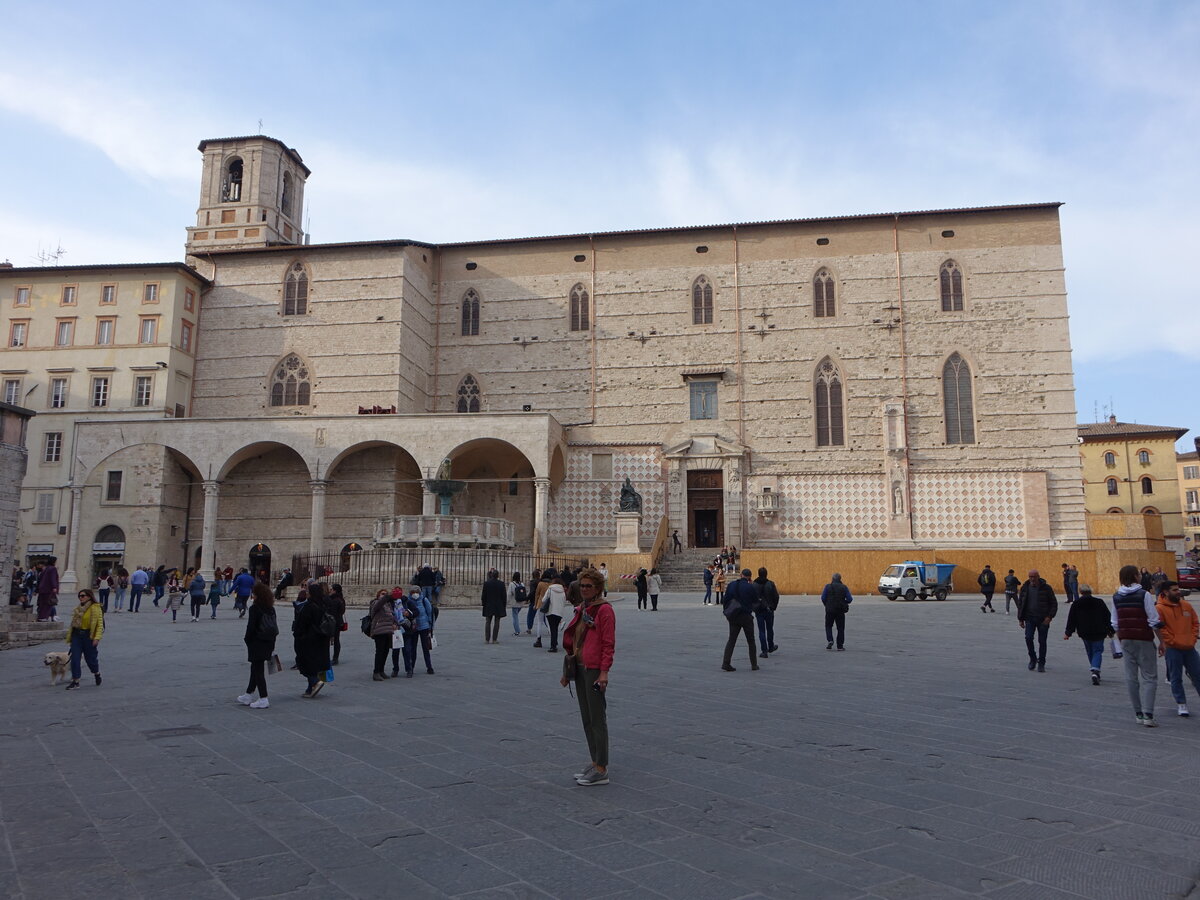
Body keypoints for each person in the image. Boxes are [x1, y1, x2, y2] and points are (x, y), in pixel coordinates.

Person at [560, 568, 615, 786]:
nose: (584, 589)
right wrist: (567, 673)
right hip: (580, 667)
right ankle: (595, 762)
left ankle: (602, 768)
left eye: (588, 586)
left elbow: (608, 644)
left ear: (598, 588)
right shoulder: (583, 608)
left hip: (594, 670)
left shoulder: (605, 611)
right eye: (581, 585)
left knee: (597, 720)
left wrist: (604, 672)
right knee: (587, 719)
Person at [1112, 564, 1162, 726]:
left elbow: (1114, 622)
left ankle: (1138, 713)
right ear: (1134, 576)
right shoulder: (1144, 595)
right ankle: (1148, 714)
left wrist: (1121, 639)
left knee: (1131, 677)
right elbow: (1153, 619)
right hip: (1143, 638)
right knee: (1149, 677)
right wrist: (1162, 641)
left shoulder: (1116, 596)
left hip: (1126, 638)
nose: (1140, 576)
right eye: (1138, 575)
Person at [1155, 580, 1200, 717]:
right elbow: (1161, 629)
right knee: (1175, 678)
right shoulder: (1160, 608)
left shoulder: (1186, 605)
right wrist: (1171, 641)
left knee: (1198, 675)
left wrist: (1192, 638)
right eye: (1174, 590)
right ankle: (1181, 704)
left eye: (1178, 589)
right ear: (1166, 592)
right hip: (1173, 648)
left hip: (1189, 647)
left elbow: (1195, 622)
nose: (1178, 592)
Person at [1062, 584, 1115, 685]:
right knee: (1098, 650)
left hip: (1084, 632)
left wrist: (1068, 633)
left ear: (1081, 592)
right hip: (1099, 631)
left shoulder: (1076, 603)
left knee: (1090, 650)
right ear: (1090, 591)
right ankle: (1095, 670)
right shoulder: (1099, 602)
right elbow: (1107, 617)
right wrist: (1111, 630)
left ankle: (1095, 669)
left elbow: (1072, 619)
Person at [238, 582, 277, 708]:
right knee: (255, 668)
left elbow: (251, 627)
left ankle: (263, 698)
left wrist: (247, 639)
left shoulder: (255, 608)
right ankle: (248, 694)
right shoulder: (271, 608)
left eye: (253, 594)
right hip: (269, 641)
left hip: (257, 641)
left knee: (258, 670)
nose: (252, 595)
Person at [293, 582, 332, 697]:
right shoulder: (324, 605)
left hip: (309, 639)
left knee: (305, 662)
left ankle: (315, 682)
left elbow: (303, 624)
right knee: (314, 664)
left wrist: (298, 634)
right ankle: (310, 689)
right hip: (321, 638)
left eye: (308, 592)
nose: (307, 593)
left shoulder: (309, 606)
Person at [1017, 569, 1057, 672]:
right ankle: (1033, 658)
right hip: (1029, 618)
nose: (1032, 579)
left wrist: (1049, 617)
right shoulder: (1025, 588)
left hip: (1043, 619)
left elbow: (1053, 603)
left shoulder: (1046, 588)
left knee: (1042, 641)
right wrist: (1020, 618)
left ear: (1038, 576)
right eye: (1030, 577)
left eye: (1034, 577)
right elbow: (1021, 604)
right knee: (1028, 638)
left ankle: (1042, 662)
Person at [64, 588, 104, 690]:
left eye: (83, 596)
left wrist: (97, 638)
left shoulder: (95, 608)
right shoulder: (78, 608)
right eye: (79, 596)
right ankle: (76, 681)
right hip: (77, 635)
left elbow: (100, 625)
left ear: (89, 596)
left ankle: (96, 673)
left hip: (88, 636)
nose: (80, 598)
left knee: (91, 660)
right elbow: (73, 624)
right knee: (75, 659)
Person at [722, 569, 760, 671]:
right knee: (751, 641)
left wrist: (727, 611)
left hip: (734, 615)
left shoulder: (731, 585)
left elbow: (725, 600)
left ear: (741, 575)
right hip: (746, 616)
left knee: (732, 639)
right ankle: (754, 664)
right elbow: (756, 601)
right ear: (750, 577)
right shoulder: (750, 587)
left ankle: (726, 662)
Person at [402, 587, 435, 676]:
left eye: (416, 592)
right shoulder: (408, 601)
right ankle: (411, 667)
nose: (415, 594)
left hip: (424, 627)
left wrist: (431, 627)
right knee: (413, 648)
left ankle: (429, 667)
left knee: (426, 648)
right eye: (413, 592)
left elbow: (430, 613)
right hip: (413, 627)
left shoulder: (424, 600)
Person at [367, 588, 396, 681]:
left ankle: (381, 670)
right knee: (379, 651)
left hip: (388, 630)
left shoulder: (388, 604)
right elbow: (378, 605)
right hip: (379, 630)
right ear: (378, 595)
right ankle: (376, 672)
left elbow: (392, 615)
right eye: (382, 594)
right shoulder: (375, 603)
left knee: (385, 651)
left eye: (385, 594)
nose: (384, 595)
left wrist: (395, 623)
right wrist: (387, 596)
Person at [820, 573, 852, 651]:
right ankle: (840, 646)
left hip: (829, 610)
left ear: (832, 579)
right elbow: (850, 599)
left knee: (828, 626)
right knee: (840, 628)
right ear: (840, 579)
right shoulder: (844, 587)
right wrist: (844, 602)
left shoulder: (828, 587)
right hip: (840, 610)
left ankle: (830, 640)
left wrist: (826, 604)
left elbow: (823, 598)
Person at [754, 566, 780, 657]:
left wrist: (754, 607)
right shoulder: (770, 584)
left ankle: (764, 651)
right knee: (770, 628)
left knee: (761, 630)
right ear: (766, 574)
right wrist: (773, 607)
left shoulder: (754, 584)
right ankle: (771, 646)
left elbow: (751, 597)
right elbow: (776, 596)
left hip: (759, 610)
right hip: (769, 610)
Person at [481, 568, 507, 644]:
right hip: (498, 606)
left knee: (488, 622)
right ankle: (494, 639)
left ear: (491, 575)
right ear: (498, 576)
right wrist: (503, 606)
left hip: (488, 605)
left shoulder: (486, 583)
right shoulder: (501, 584)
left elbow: (483, 596)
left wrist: (484, 604)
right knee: (497, 622)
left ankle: (487, 639)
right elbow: (504, 597)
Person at [545, 577, 569, 652]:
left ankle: (553, 646)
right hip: (559, 612)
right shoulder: (562, 591)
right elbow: (564, 601)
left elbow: (544, 599)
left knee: (553, 629)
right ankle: (555, 642)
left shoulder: (550, 589)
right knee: (555, 628)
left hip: (551, 611)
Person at [36, 556, 59, 622]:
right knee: (48, 604)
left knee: (42, 604)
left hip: (42, 589)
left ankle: (41, 616)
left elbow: (40, 579)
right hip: (48, 589)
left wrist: (37, 589)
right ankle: (44, 617)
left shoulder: (46, 569)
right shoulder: (53, 569)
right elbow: (53, 578)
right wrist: (54, 587)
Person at [328, 583, 346, 665]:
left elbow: (331, 612)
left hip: (332, 622)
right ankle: (335, 658)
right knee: (336, 640)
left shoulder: (332, 600)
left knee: (331, 640)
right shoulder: (341, 599)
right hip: (338, 621)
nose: (330, 590)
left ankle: (333, 658)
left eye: (331, 589)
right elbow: (342, 611)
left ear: (335, 591)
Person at [508, 571, 527, 637]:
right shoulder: (522, 584)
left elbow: (509, 594)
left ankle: (517, 631)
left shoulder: (512, 584)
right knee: (516, 615)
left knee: (515, 617)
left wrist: (509, 601)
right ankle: (517, 630)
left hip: (515, 603)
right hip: (521, 603)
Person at [525, 568, 541, 634]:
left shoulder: (533, 582)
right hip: (540, 600)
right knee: (544, 616)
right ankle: (549, 628)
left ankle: (529, 628)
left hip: (534, 601)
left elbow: (532, 592)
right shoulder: (541, 582)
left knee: (530, 615)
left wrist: (527, 598)